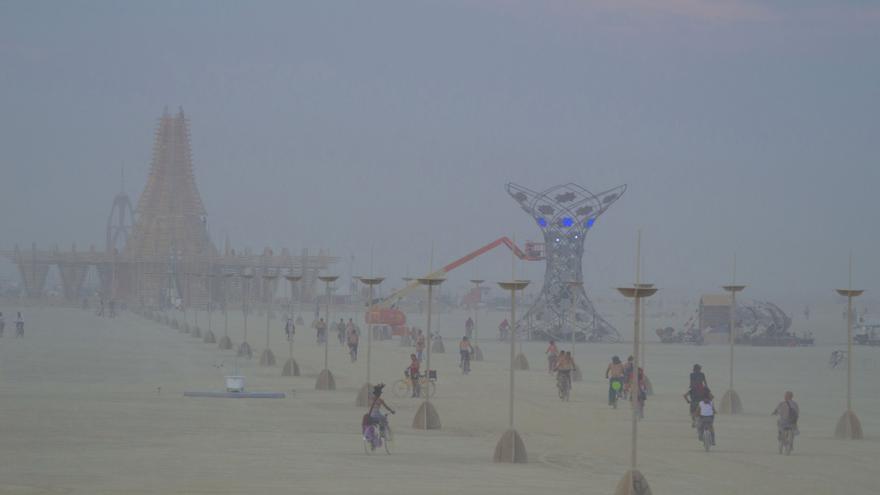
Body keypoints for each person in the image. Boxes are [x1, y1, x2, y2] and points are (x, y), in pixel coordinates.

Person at [363, 383, 395, 450]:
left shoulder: (371, 399)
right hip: (377, 415)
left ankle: (373, 440)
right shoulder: (380, 400)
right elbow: (386, 407)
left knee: (378, 421)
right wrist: (392, 411)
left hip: (370, 415)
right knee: (384, 420)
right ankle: (382, 432)